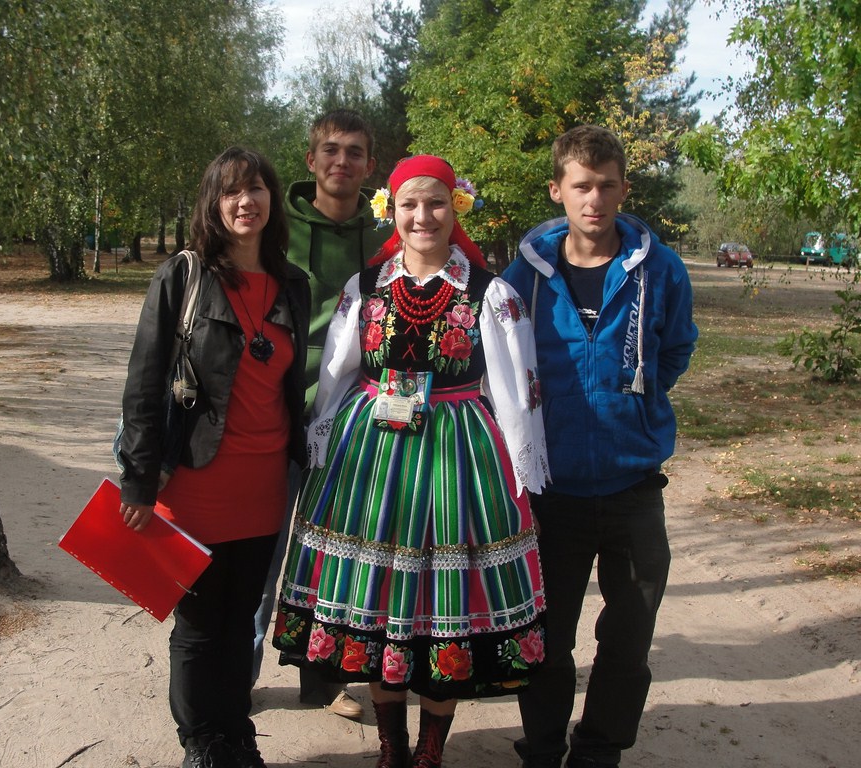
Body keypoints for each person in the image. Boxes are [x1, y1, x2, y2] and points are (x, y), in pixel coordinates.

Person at [272, 155, 551, 768]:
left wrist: (520, 465)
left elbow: (515, 389)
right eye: (409, 205)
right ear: (391, 211)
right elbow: (336, 372)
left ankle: (430, 749)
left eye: (436, 203)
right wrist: (322, 439)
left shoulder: (490, 292)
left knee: (440, 606)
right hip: (372, 456)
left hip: (457, 455)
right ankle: (390, 744)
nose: (423, 216)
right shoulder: (365, 288)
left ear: (456, 207)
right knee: (381, 601)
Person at [501, 125, 698, 768]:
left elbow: (676, 346)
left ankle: (598, 750)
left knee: (629, 638)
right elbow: (503, 362)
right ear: (557, 190)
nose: (595, 199)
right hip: (551, 491)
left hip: (632, 487)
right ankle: (542, 748)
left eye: (607, 186)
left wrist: (634, 402)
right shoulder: (525, 276)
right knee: (546, 637)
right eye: (582, 186)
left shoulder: (659, 269)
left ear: (623, 189)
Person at [117, 147, 311, 768]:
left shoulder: (292, 283)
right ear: (213, 203)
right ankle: (202, 744)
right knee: (200, 626)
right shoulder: (184, 276)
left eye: (256, 188)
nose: (245, 201)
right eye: (231, 192)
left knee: (241, 619)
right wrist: (138, 479)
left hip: (265, 486)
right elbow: (144, 383)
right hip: (196, 485)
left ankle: (235, 734)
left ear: (272, 199)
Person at [252, 109, 387, 721]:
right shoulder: (276, 230)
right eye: (330, 150)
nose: (342, 161)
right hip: (277, 415)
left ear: (369, 165)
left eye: (354, 152)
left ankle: (325, 679)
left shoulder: (386, 239)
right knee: (263, 555)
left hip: (354, 425)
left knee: (335, 557)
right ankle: (238, 676)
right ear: (311, 161)